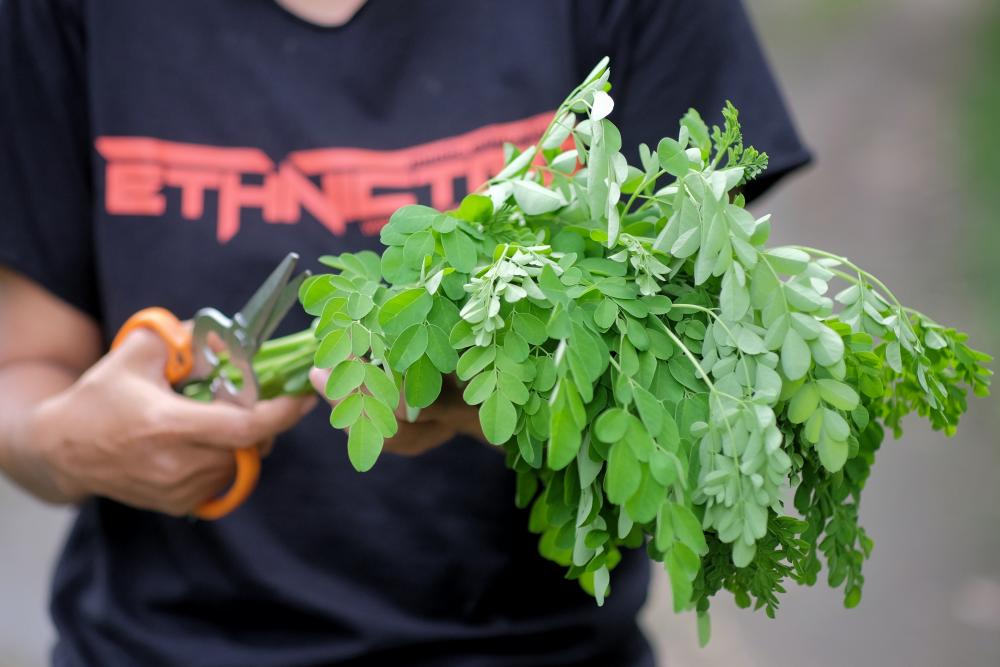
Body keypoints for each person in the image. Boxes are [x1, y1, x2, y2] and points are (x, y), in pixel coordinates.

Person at [0, 1, 810, 665]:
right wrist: (60, 443)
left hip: (540, 651)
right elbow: (24, 369)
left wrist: (517, 404)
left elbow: (695, 353)